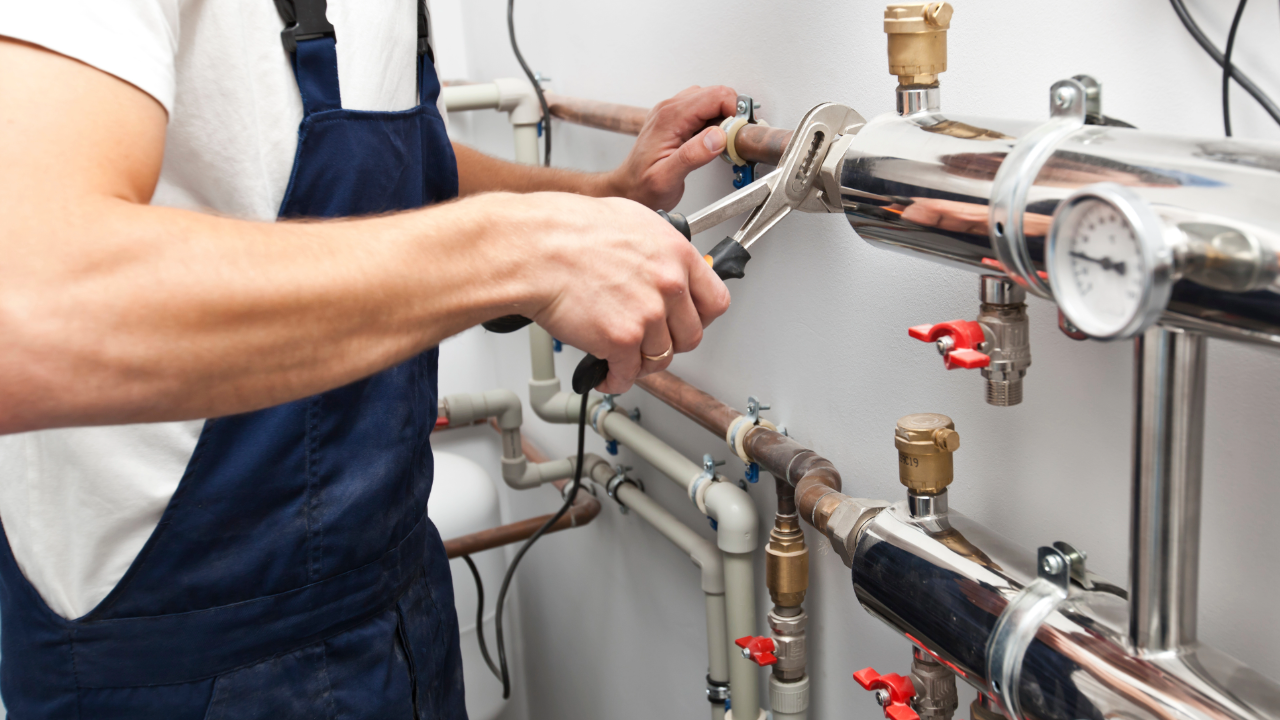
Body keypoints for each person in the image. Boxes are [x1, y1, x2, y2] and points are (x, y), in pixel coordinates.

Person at [0, 0, 735, 716]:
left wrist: (601, 199)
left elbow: (395, 170)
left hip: (394, 594)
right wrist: (518, 251)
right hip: (181, 660)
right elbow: (28, 308)